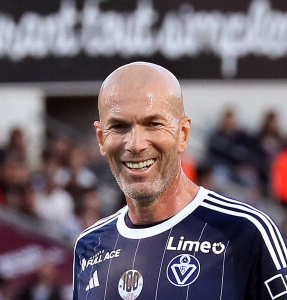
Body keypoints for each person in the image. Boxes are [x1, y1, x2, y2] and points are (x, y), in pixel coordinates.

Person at [73, 62, 287, 300]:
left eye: (153, 124)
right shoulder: (89, 245)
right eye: (119, 127)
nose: (135, 144)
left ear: (183, 134)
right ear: (101, 139)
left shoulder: (246, 232)